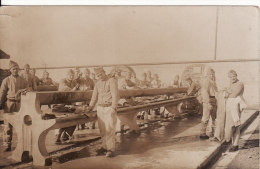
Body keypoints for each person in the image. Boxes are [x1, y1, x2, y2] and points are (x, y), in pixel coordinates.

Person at [85, 67, 119, 157]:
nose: (100, 76)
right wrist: (90, 107)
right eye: (98, 75)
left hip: (109, 108)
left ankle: (110, 149)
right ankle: (104, 147)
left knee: (110, 129)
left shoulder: (112, 81)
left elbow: (115, 95)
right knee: (102, 129)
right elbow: (94, 97)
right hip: (100, 108)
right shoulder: (97, 83)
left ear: (104, 72)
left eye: (101, 74)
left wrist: (113, 108)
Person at [0, 61, 28, 151]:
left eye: (17, 68)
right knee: (8, 125)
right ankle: (7, 145)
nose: (15, 70)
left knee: (21, 124)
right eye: (13, 69)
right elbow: (2, 93)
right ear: (10, 70)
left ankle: (22, 145)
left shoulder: (23, 80)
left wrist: (25, 91)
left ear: (19, 69)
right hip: (9, 104)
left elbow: (28, 90)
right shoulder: (6, 80)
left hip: (19, 104)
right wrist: (0, 104)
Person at [224, 70, 246, 152]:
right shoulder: (230, 84)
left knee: (236, 125)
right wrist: (227, 92)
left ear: (236, 76)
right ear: (229, 78)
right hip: (229, 106)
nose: (233, 78)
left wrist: (227, 92)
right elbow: (225, 95)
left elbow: (234, 95)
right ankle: (233, 143)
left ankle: (235, 144)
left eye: (234, 76)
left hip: (236, 106)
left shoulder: (240, 84)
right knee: (231, 125)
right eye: (231, 77)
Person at [56, 69, 78, 144]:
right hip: (62, 104)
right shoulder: (63, 81)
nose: (71, 76)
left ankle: (65, 135)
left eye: (72, 75)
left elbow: (78, 89)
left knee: (75, 119)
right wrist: (74, 89)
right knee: (63, 120)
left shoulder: (74, 82)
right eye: (70, 75)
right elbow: (66, 89)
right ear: (66, 75)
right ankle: (58, 136)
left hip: (70, 103)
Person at [200, 68, 218, 139]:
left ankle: (214, 133)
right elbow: (205, 93)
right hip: (209, 100)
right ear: (207, 75)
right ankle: (202, 133)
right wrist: (208, 103)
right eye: (210, 74)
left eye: (212, 74)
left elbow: (215, 91)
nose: (211, 75)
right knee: (206, 117)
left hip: (214, 100)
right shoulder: (206, 82)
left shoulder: (213, 81)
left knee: (214, 117)